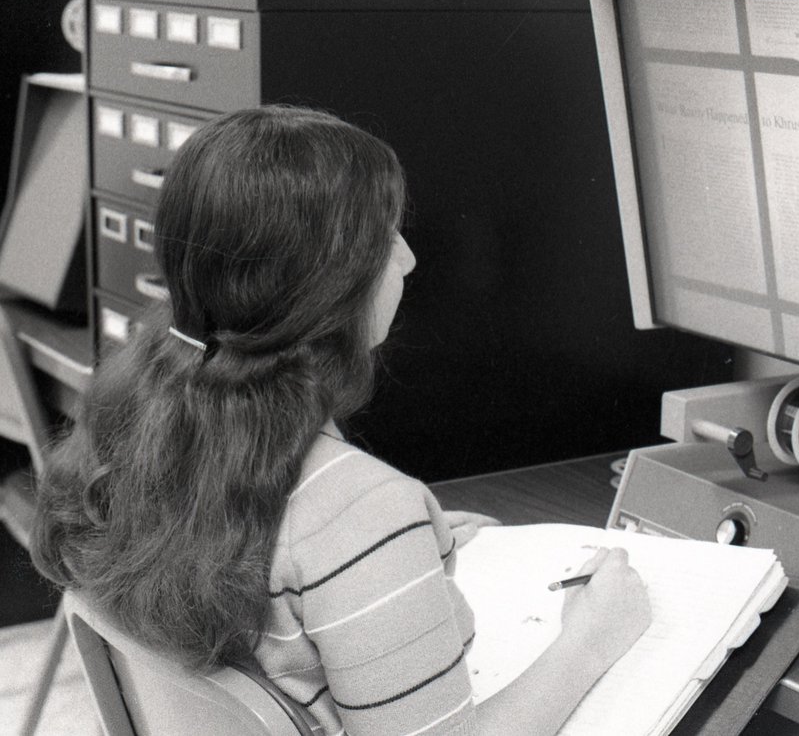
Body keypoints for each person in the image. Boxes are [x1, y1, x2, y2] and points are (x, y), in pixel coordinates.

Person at [32, 105, 651, 735]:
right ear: (327, 287)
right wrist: (591, 640)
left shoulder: (131, 419)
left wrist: (380, 567)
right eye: (385, 238)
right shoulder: (359, 514)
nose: (407, 259)